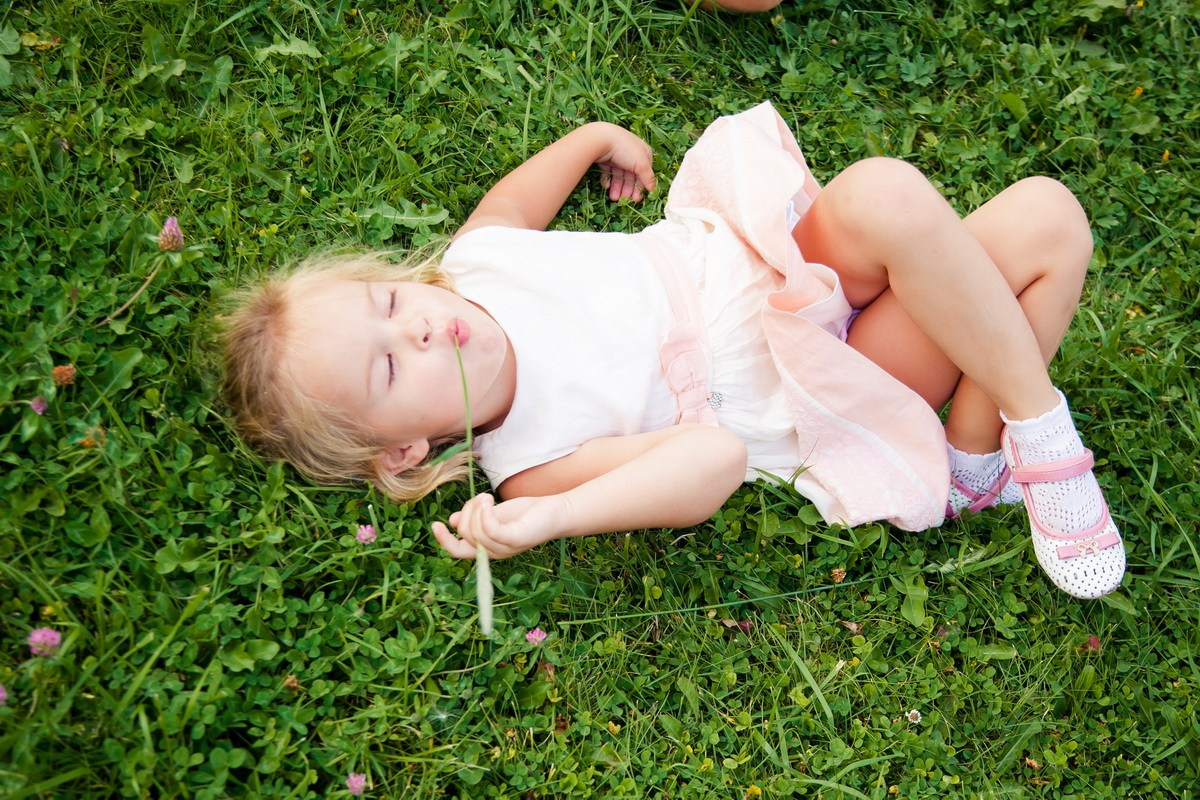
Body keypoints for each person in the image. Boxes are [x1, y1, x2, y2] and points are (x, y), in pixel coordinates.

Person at [222, 102, 1126, 599]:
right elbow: (715, 461)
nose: (415, 328)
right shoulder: (534, 462)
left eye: (388, 301)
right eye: (390, 368)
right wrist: (545, 522)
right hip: (813, 381)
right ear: (406, 450)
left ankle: (1010, 435)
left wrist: (589, 141)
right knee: (1044, 229)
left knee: (928, 197)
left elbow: (508, 202)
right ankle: (1005, 451)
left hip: (782, 264)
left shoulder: (476, 264)